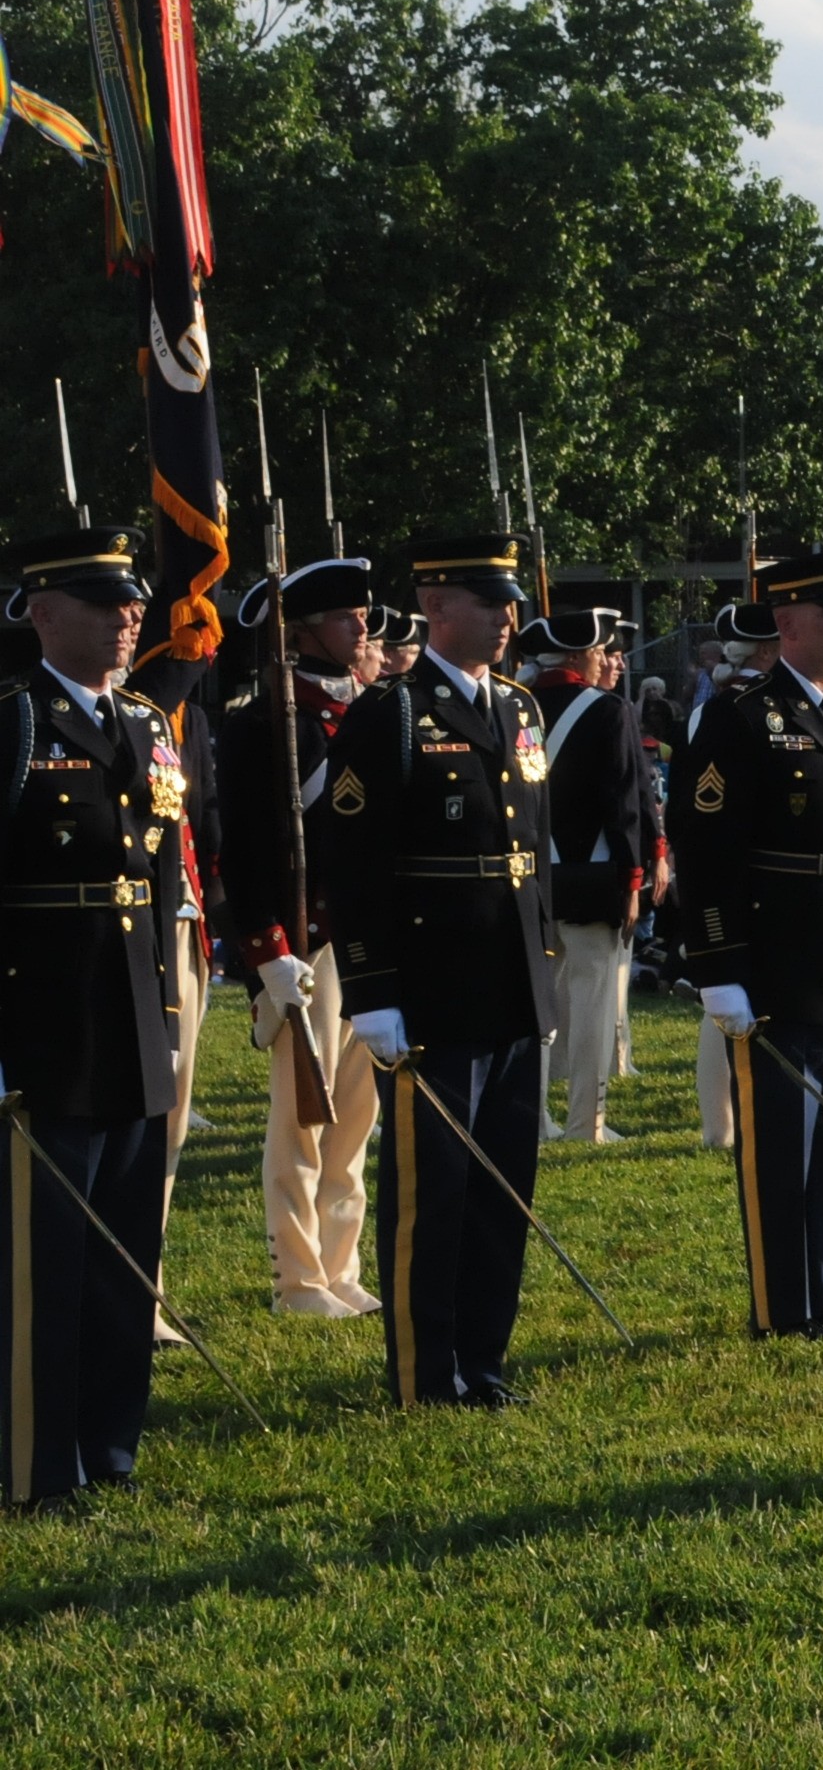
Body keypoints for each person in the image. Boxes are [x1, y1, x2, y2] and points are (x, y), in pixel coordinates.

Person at [329, 534, 561, 1410]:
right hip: (433, 985)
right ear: (435, 608)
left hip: (510, 981)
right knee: (436, 1194)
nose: (508, 617)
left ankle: (483, 1359)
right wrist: (373, 989)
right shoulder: (392, 713)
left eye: (509, 602)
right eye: (488, 600)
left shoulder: (521, 710)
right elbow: (354, 864)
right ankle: (428, 1372)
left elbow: (531, 850)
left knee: (503, 1186)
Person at [0, 529, 193, 1500]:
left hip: (133, 1023)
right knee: (46, 1266)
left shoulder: (150, 724)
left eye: (133, 602)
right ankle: (39, 1462)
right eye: (102, 600)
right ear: (41, 612)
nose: (129, 617)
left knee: (124, 1257)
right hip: (44, 1029)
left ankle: (109, 1449)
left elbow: (158, 873)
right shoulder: (16, 721)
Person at [679, 550, 823, 1341]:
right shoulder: (742, 721)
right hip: (776, 959)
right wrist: (719, 969)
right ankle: (783, 1304)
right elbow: (704, 852)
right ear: (787, 623)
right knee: (782, 1143)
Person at [219, 556, 382, 1321]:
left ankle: (342, 1264)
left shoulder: (371, 712)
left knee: (355, 1118)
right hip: (305, 945)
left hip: (366, 937)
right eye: (348, 616)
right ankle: (299, 1278)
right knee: (301, 1122)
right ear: (307, 627)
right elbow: (244, 849)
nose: (362, 628)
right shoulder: (266, 722)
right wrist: (267, 950)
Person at [516, 608, 645, 1145]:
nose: (603, 660)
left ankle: (534, 1118)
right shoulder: (609, 711)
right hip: (591, 875)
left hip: (528, 876)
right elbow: (623, 804)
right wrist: (632, 879)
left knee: (537, 1004)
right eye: (598, 652)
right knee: (592, 1005)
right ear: (576, 657)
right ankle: (583, 1123)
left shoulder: (513, 706)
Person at [672, 602, 777, 1151]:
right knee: (724, 1003)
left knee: (723, 1005)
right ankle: (721, 1126)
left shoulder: (709, 705)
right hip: (741, 871)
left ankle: (721, 1126)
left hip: (727, 868)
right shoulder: (734, 709)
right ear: (764, 650)